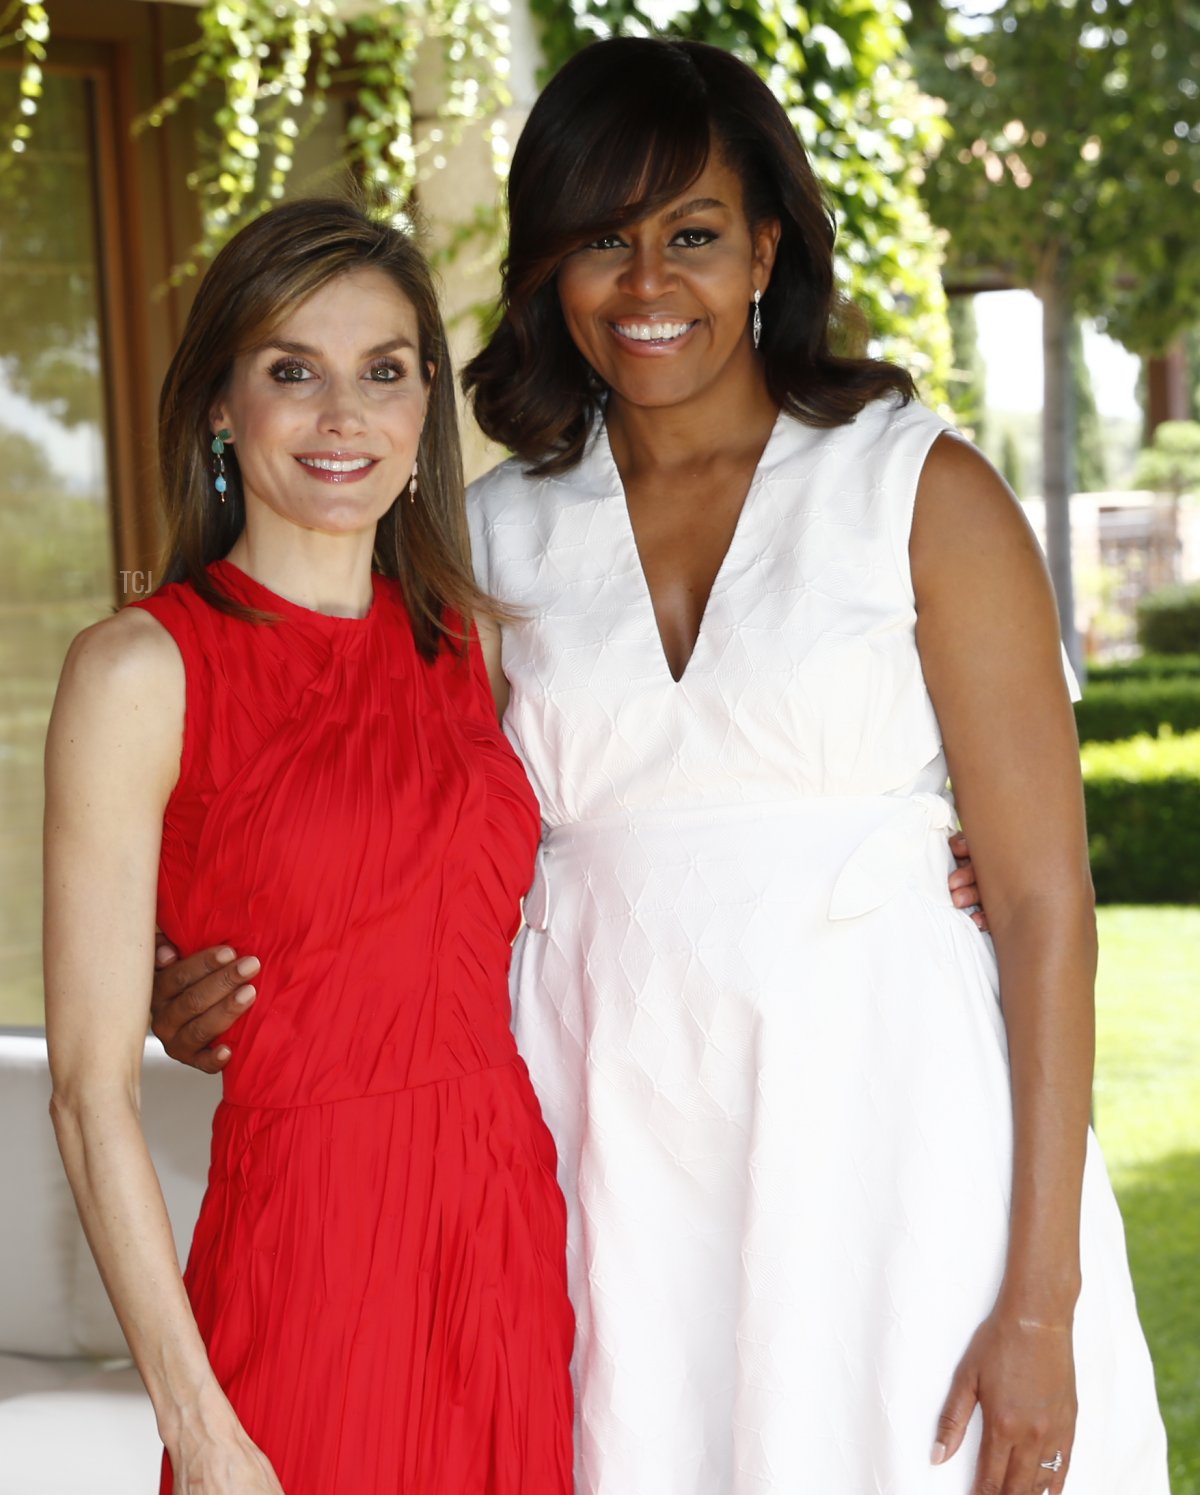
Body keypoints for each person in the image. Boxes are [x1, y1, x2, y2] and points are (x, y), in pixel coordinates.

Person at [148, 36, 1168, 1495]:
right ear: (548, 272)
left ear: (765, 248)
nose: (646, 284)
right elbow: (362, 813)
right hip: (605, 1149)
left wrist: (1041, 1301)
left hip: (894, 1127)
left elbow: (1049, 909)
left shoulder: (919, 488)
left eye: (691, 233)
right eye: (599, 241)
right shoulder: (486, 538)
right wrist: (208, 981)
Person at [43, 198, 573, 1495]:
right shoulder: (140, 670)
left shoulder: (474, 643)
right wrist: (203, 1431)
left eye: (383, 373)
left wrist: (929, 846)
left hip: (502, 1229)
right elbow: (87, 1090)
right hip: (311, 1250)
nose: (345, 417)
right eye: (294, 372)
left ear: (425, 406)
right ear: (223, 405)